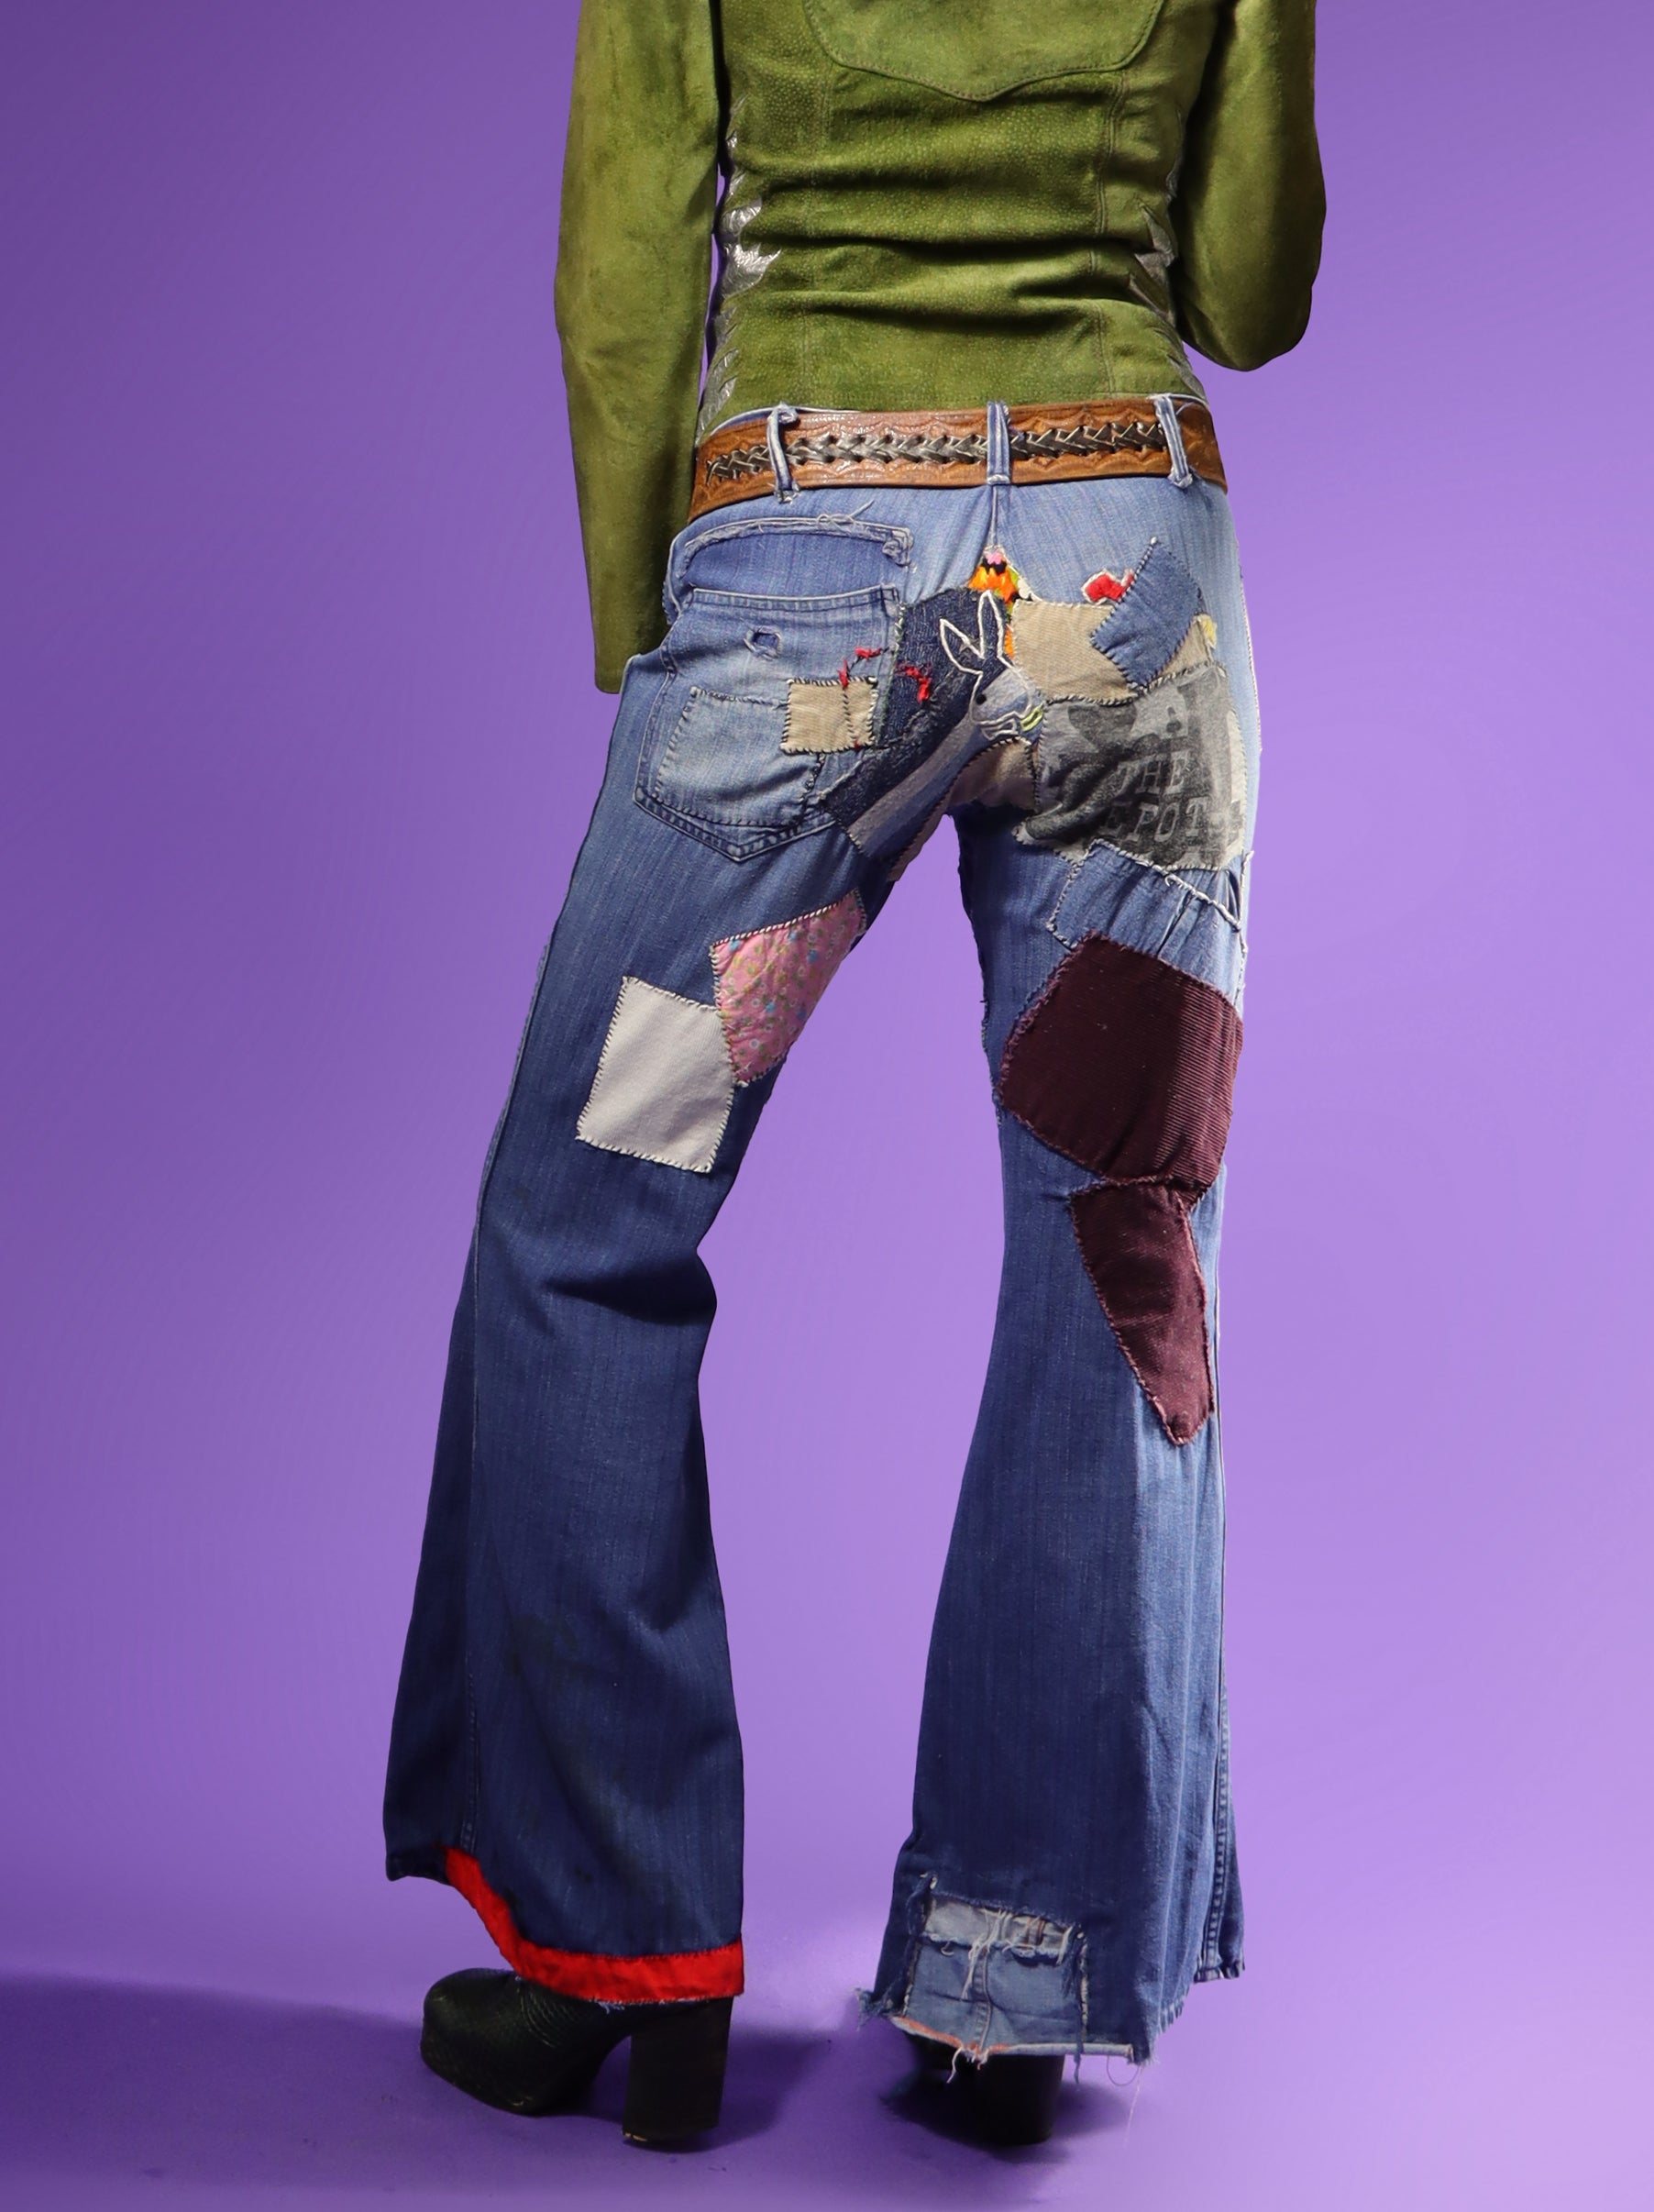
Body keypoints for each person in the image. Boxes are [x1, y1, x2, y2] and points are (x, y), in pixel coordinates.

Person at [385, 0, 1323, 2151]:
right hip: (1127, 609)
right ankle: (1014, 1984)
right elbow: (1250, 294)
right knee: (1112, 1245)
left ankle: (618, 1946)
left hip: (808, 604)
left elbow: (623, 262)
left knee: (592, 1214)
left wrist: (657, 639)